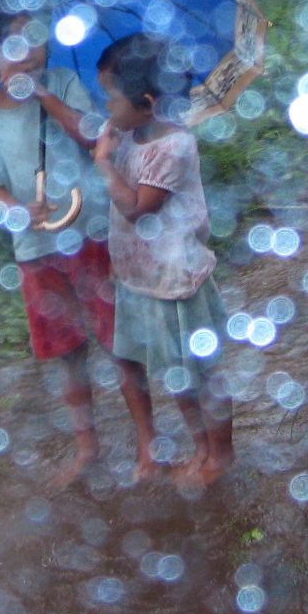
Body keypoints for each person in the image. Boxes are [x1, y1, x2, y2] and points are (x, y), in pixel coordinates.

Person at [0, 0, 152, 488]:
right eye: (11, 44)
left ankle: (148, 445)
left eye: (34, 40)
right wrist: (20, 211)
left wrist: (45, 95)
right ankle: (87, 447)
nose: (26, 53)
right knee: (67, 352)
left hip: (87, 235)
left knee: (118, 339)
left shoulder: (63, 82)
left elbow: (91, 137)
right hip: (34, 250)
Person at [93, 32, 234, 488]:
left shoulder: (175, 147)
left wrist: (104, 165)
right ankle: (201, 448)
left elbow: (136, 208)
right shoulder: (129, 137)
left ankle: (221, 454)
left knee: (199, 375)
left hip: (176, 281)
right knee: (177, 377)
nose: (107, 110)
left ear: (149, 102)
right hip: (142, 279)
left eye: (112, 99)